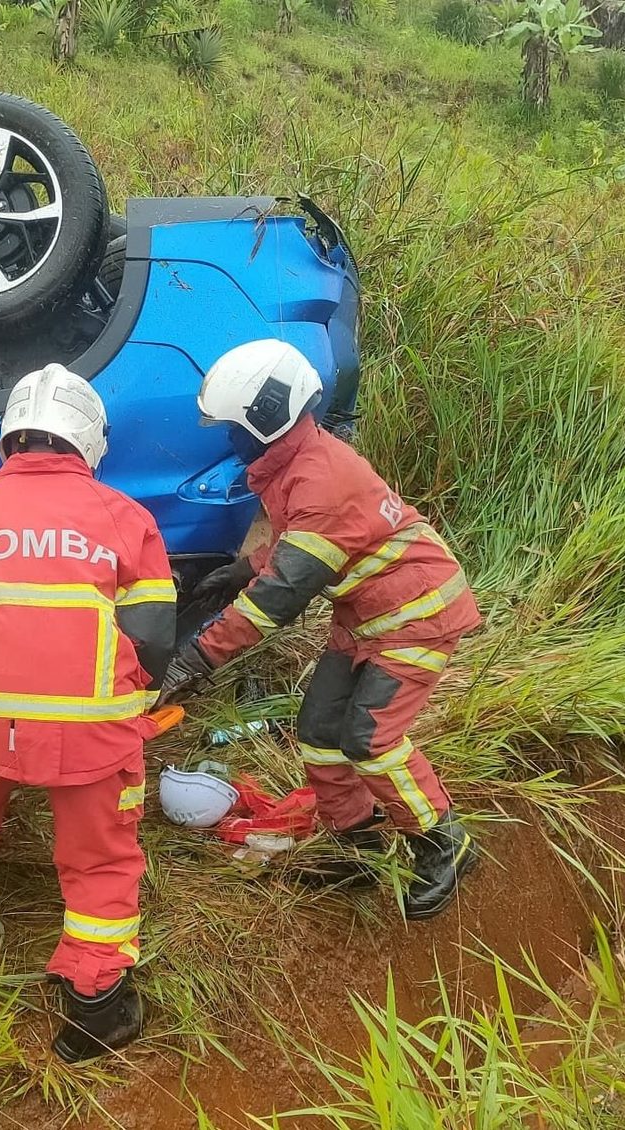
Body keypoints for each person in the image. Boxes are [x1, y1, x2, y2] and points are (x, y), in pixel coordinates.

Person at [158, 339, 481, 920]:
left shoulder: (320, 478)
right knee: (318, 732)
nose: (226, 438)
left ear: (264, 419)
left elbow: (281, 596)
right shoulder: (297, 466)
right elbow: (306, 549)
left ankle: (443, 842)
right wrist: (243, 569)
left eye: (231, 427)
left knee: (370, 741)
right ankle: (354, 847)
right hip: (367, 619)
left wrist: (196, 660)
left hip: (417, 618)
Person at [0, 363, 176, 1063]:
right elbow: (151, 639)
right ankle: (95, 1007)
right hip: (88, 731)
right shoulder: (127, 518)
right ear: (89, 442)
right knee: (98, 857)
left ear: (10, 440)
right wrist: (127, 704)